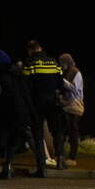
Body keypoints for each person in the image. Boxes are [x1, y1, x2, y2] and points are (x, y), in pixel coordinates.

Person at [0, 50, 35, 179]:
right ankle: (7, 167)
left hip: (2, 112)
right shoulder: (18, 75)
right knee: (12, 141)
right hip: (19, 112)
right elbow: (26, 94)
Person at [22, 40, 66, 175]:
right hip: (53, 103)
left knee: (38, 135)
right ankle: (60, 160)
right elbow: (61, 85)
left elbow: (25, 87)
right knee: (56, 131)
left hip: (36, 104)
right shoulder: (54, 62)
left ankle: (42, 167)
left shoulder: (30, 63)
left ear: (30, 50)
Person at [58, 53, 84, 165]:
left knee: (73, 131)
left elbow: (75, 89)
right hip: (65, 105)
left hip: (74, 105)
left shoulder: (75, 72)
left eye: (62, 63)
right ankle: (61, 156)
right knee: (62, 131)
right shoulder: (64, 73)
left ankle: (72, 157)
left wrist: (63, 82)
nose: (61, 65)